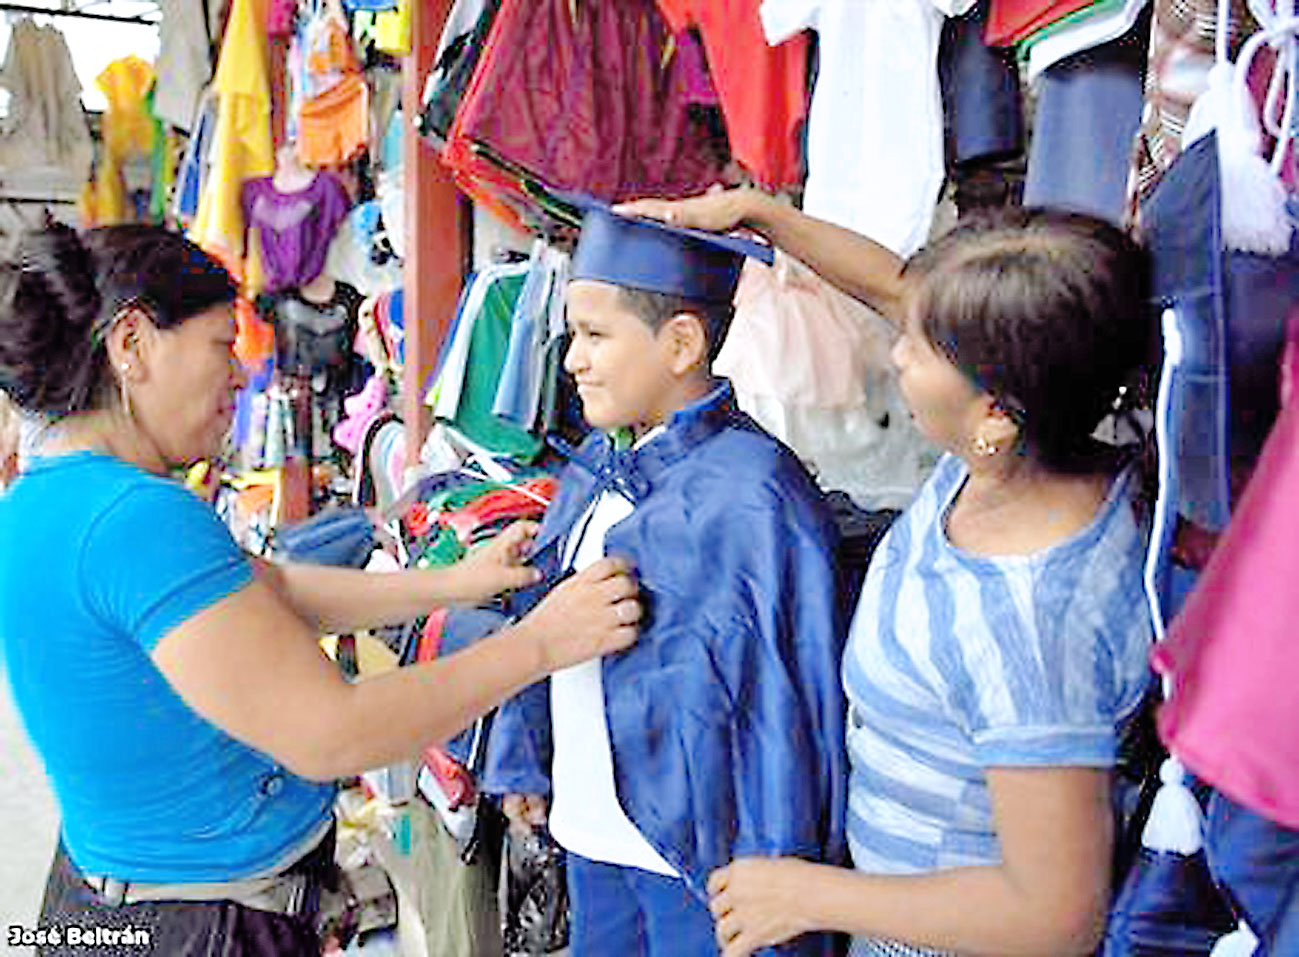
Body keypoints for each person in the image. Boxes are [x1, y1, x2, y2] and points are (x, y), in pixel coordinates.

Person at [0, 223, 640, 956]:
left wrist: (453, 583)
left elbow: (262, 589)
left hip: (104, 901)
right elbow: (335, 733)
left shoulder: (43, 499)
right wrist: (543, 642)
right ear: (133, 343)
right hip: (198, 925)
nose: (239, 377)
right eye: (220, 345)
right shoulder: (133, 520)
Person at [618, 190, 1157, 957]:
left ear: (994, 410)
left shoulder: (1026, 624)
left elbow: (1056, 914)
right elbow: (899, 290)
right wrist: (758, 215)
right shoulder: (1027, 457)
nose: (895, 349)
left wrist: (808, 893)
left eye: (919, 347)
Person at [462, 200, 848, 956]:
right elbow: (542, 625)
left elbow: (783, 709)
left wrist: (777, 863)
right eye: (573, 332)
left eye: (594, 334)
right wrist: (524, 752)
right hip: (591, 831)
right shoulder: (596, 469)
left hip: (699, 865)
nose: (569, 358)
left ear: (680, 342)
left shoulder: (754, 494)